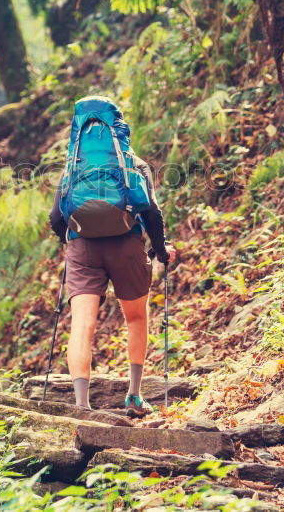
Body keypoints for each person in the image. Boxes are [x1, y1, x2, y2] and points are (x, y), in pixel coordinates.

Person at [48, 96, 176, 417]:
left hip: (82, 248)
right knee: (135, 316)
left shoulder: (72, 167)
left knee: (82, 325)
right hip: (126, 245)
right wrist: (160, 251)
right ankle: (133, 396)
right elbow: (152, 213)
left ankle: (81, 406)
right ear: (119, 128)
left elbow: (55, 218)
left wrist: (73, 239)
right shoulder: (134, 164)